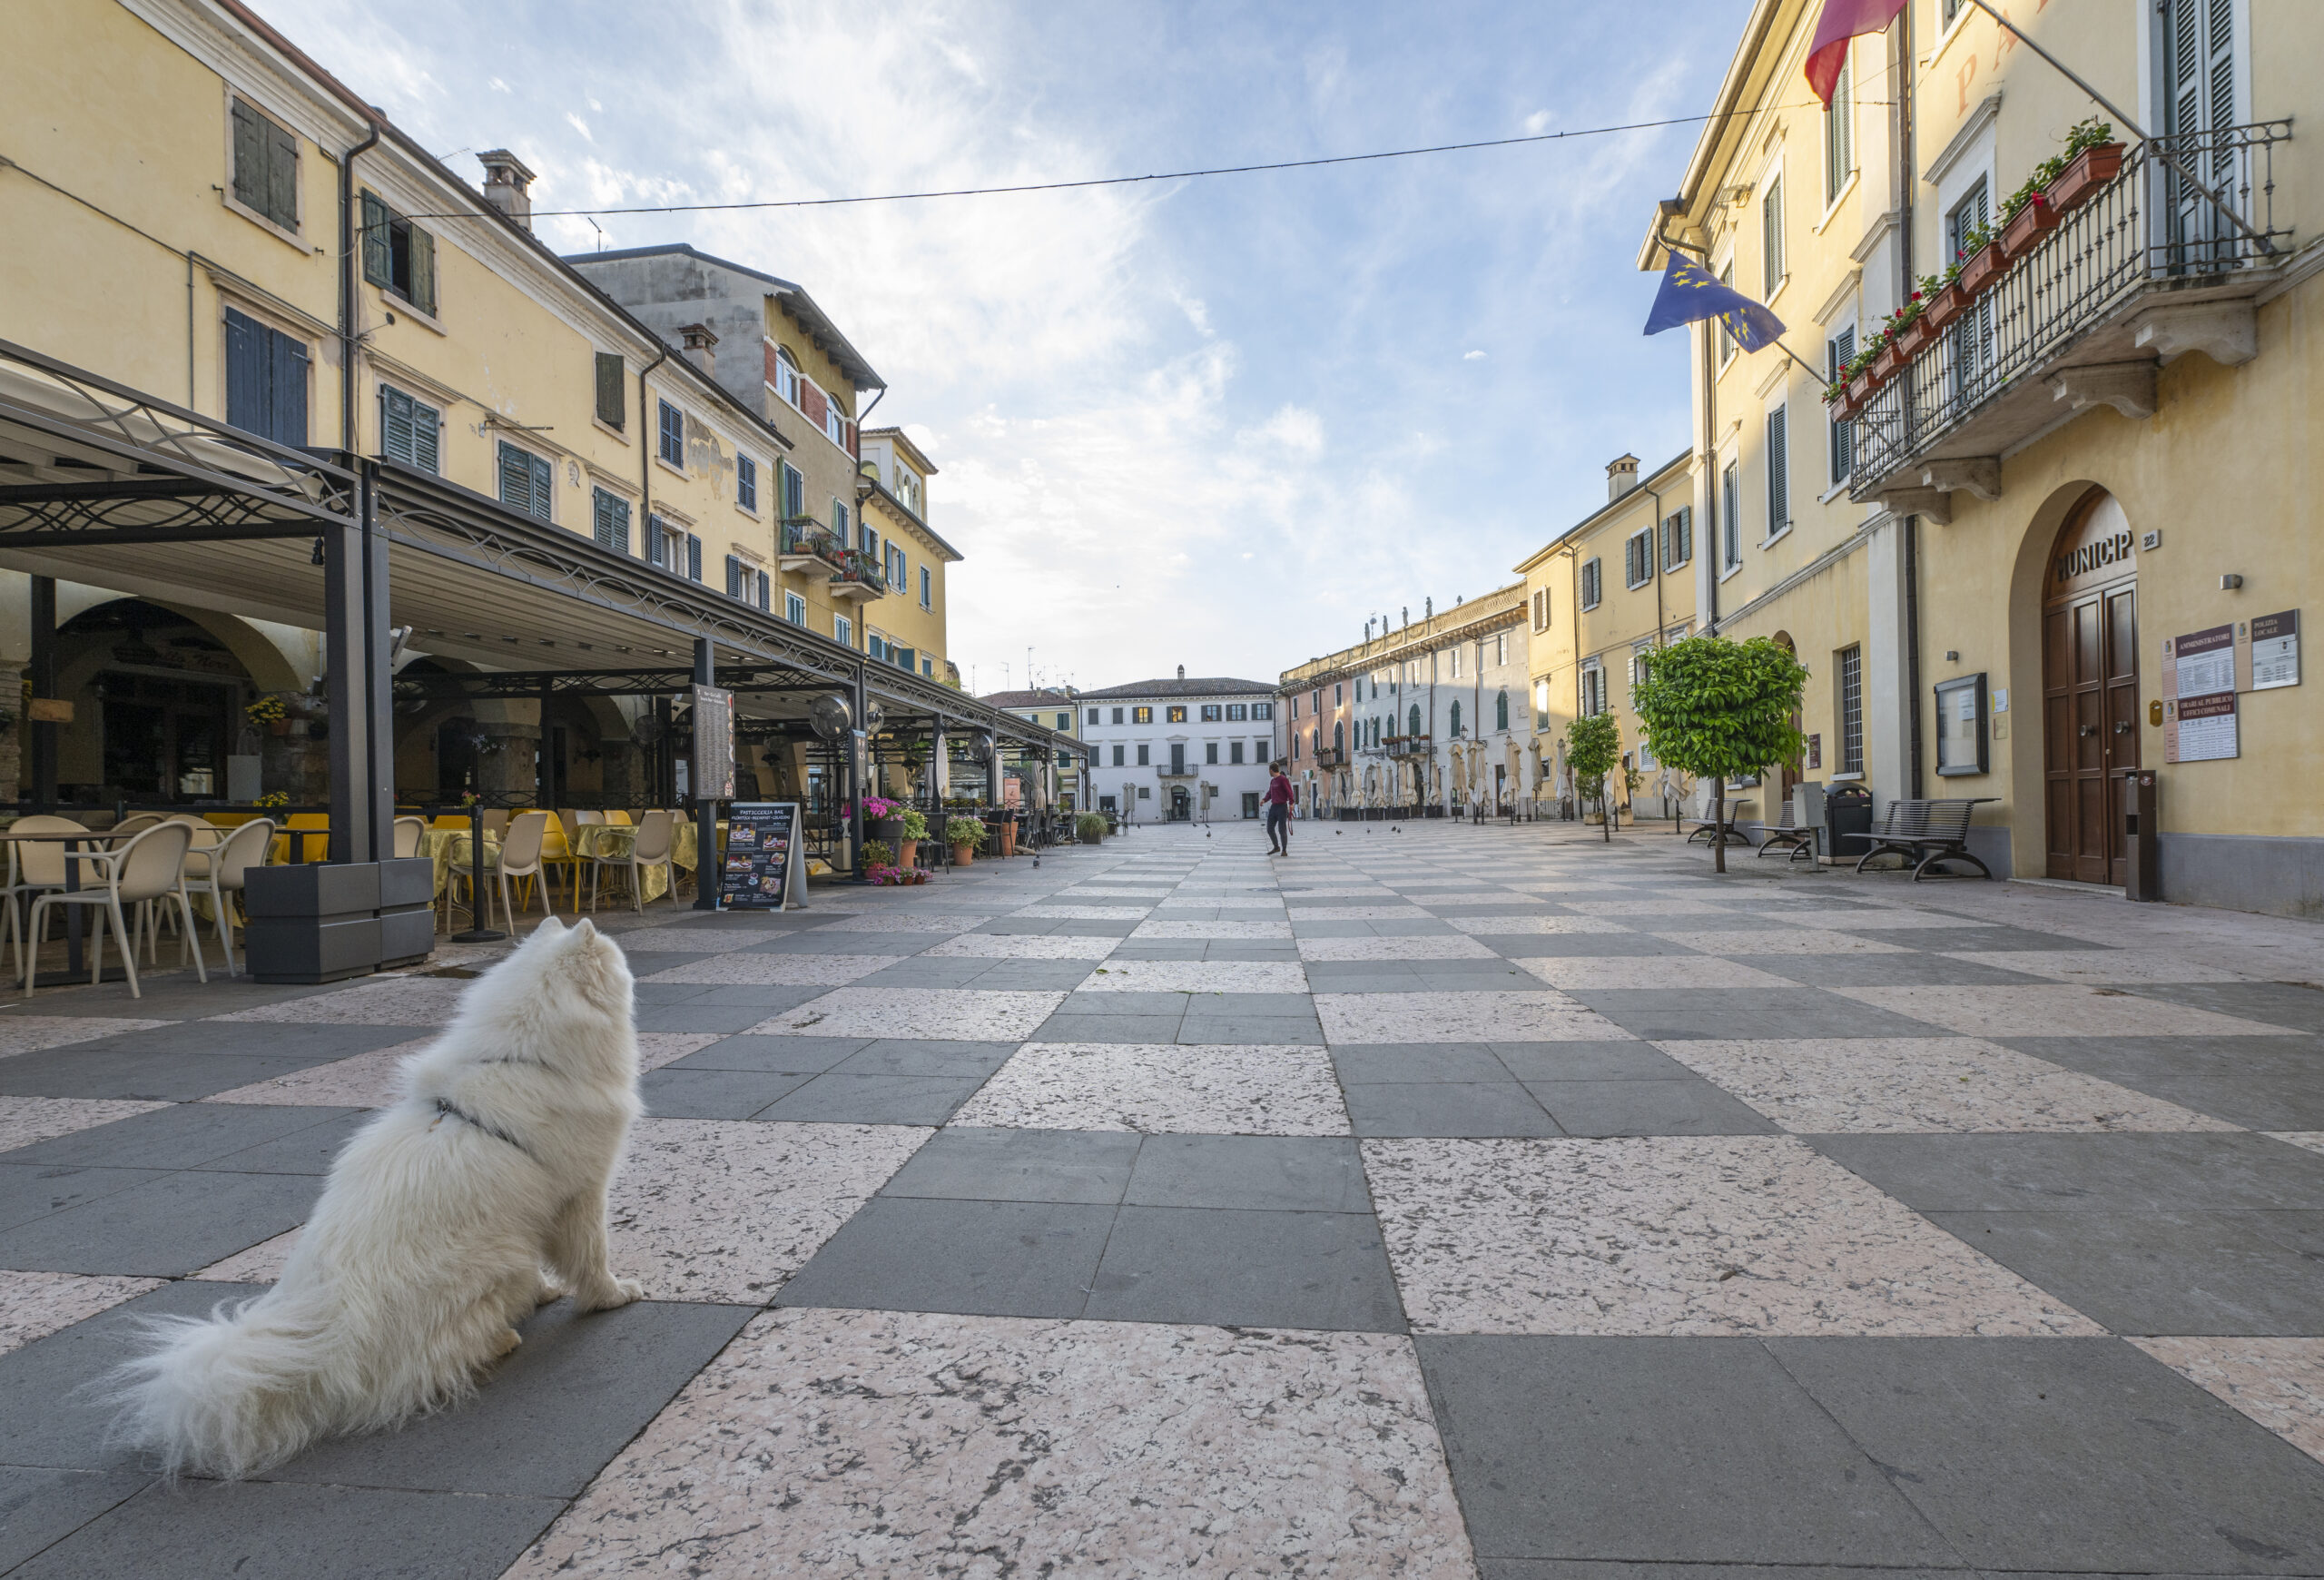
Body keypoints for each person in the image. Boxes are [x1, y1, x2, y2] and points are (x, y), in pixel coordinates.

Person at [1263, 760, 1294, 855]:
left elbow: (1290, 792)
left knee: (1282, 829)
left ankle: (1284, 850)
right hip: (1274, 807)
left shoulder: (1283, 779)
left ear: (1271, 770)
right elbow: (1270, 793)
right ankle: (1276, 847)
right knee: (1269, 828)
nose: (1269, 772)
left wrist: (1291, 803)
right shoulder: (1272, 781)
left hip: (1282, 807)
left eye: (1269, 770)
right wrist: (1264, 800)